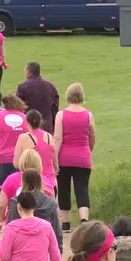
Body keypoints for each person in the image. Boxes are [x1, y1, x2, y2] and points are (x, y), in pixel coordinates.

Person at [54, 84, 95, 229]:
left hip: (64, 157)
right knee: (82, 189)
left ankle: (65, 223)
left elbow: (57, 139)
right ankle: (84, 220)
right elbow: (92, 138)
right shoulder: (88, 115)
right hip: (83, 157)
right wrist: (87, 151)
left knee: (63, 189)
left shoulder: (61, 115)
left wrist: (54, 158)